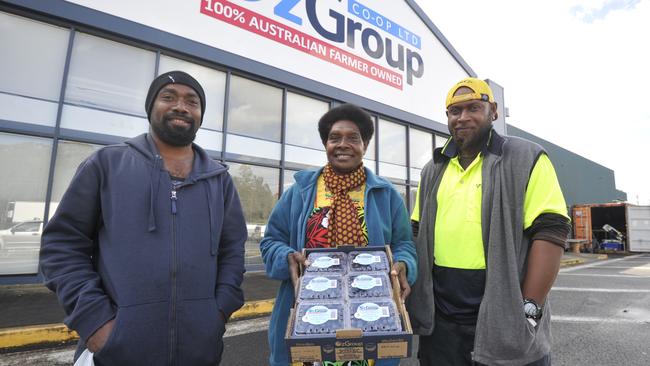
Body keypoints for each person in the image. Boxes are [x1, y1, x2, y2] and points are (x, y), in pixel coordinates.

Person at [39, 71, 247, 365]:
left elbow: (232, 251)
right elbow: (61, 246)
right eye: (168, 97)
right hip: (116, 351)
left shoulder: (219, 180)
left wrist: (218, 313)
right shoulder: (106, 165)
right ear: (151, 107)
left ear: (200, 115)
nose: (181, 106)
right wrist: (95, 322)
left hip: (199, 351)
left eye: (192, 101)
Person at [407, 77, 570, 366]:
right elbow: (417, 230)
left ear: (493, 111)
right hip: (441, 325)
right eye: (455, 111)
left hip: (504, 319)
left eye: (473, 108)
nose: (463, 117)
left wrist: (529, 311)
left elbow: (551, 229)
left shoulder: (525, 157)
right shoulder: (433, 169)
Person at [260, 103, 418, 366]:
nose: (343, 144)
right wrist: (286, 256)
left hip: (371, 317)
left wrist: (404, 265)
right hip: (309, 316)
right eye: (335, 138)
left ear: (365, 145)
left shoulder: (386, 195)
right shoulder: (300, 191)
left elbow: (404, 244)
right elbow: (270, 241)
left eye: (353, 138)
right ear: (326, 144)